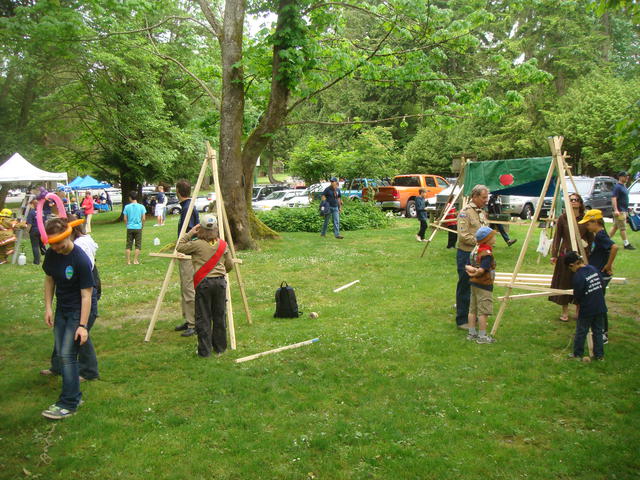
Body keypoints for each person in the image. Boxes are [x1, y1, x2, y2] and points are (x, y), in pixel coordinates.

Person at [41, 217, 94, 419]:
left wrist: (83, 325)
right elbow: (49, 280)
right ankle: (74, 396)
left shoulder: (80, 259)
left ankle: (69, 403)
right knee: (63, 353)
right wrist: (48, 307)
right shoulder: (52, 254)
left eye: (59, 243)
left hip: (77, 311)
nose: (56, 248)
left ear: (69, 235)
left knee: (67, 355)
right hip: (62, 309)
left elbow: (86, 295)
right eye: (52, 244)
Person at [176, 215, 234, 357]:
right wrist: (221, 272)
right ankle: (220, 348)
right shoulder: (223, 244)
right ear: (216, 229)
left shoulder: (196, 244)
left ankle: (205, 351)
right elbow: (229, 265)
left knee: (203, 317)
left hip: (204, 284)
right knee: (219, 316)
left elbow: (180, 246)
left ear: (200, 229)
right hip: (220, 283)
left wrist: (190, 233)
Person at [548, 193, 593, 322]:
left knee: (581, 282)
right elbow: (557, 237)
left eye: (576, 200)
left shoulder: (585, 218)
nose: (573, 201)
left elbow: (590, 237)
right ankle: (565, 311)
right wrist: (554, 255)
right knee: (565, 282)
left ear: (580, 202)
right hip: (566, 254)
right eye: (571, 200)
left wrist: (588, 250)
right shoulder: (563, 218)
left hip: (581, 254)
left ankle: (579, 310)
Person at [579, 209, 618, 343]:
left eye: (588, 224)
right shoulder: (599, 234)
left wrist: (608, 265)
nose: (587, 226)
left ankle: (602, 333)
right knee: (598, 303)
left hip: (601, 274)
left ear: (596, 222)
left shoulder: (600, 235)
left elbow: (614, 247)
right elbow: (605, 252)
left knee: (598, 304)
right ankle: (600, 331)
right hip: (598, 273)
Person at [455, 185, 489, 329]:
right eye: (484, 197)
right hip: (467, 254)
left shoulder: (481, 212)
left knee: (477, 287)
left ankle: (473, 317)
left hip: (479, 254)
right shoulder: (465, 212)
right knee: (465, 286)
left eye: (487, 197)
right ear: (475, 197)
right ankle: (462, 319)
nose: (486, 200)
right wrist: (482, 241)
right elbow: (463, 235)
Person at [564, 251, 606, 361]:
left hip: (587, 308)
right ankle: (599, 355)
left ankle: (577, 354)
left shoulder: (578, 277)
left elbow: (578, 295)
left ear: (572, 265)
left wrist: (578, 308)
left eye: (570, 268)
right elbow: (602, 285)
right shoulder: (593, 268)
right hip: (600, 305)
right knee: (598, 331)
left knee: (581, 331)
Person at [174, 179, 200, 337]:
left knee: (189, 288)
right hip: (185, 252)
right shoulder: (186, 206)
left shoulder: (188, 208)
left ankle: (193, 323)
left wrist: (183, 249)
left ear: (178, 191)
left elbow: (191, 232)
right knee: (185, 287)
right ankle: (188, 319)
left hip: (188, 254)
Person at [465, 226, 497, 344]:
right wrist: (475, 272)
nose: (495, 238)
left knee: (472, 309)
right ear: (487, 240)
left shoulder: (475, 251)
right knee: (483, 311)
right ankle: (482, 336)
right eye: (493, 237)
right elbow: (482, 270)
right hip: (484, 285)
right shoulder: (486, 253)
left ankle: (471, 333)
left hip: (474, 284)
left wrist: (470, 272)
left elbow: (467, 265)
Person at [609, 171, 635, 250]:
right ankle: (626, 244)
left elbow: (624, 199)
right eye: (625, 176)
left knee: (615, 227)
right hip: (619, 211)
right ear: (620, 177)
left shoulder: (623, 186)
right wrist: (616, 210)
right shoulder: (617, 187)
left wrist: (627, 210)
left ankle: (604, 241)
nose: (627, 178)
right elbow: (614, 198)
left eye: (627, 176)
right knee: (623, 228)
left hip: (623, 210)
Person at [123, 190, 146, 265]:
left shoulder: (127, 207)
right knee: (138, 245)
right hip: (138, 227)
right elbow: (143, 218)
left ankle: (128, 261)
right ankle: (135, 260)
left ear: (130, 198)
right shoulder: (141, 207)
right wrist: (142, 226)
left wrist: (127, 225)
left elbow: (125, 218)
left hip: (130, 227)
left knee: (128, 245)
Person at [26, 199, 47, 265]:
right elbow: (45, 222)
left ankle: (36, 261)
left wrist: (27, 231)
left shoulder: (31, 213)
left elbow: (29, 224)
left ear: (33, 204)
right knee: (42, 245)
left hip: (34, 230)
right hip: (42, 230)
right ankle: (47, 258)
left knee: (35, 246)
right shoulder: (42, 212)